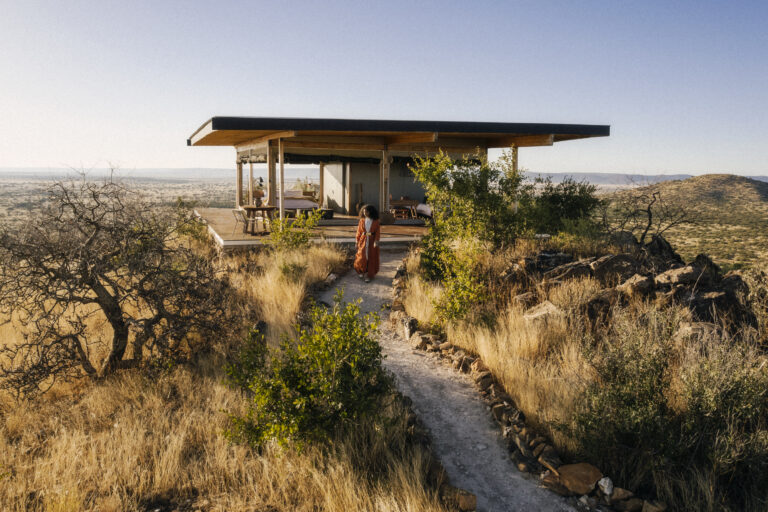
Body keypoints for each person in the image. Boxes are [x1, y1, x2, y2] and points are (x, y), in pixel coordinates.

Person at [354, 204, 380, 282]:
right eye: (364, 211)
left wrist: (376, 241)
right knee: (361, 256)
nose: (364, 213)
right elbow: (358, 232)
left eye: (366, 212)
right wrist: (356, 241)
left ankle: (369, 275)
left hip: (372, 241)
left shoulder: (376, 222)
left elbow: (377, 233)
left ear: (370, 212)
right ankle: (361, 271)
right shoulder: (362, 221)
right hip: (363, 240)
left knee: (371, 257)